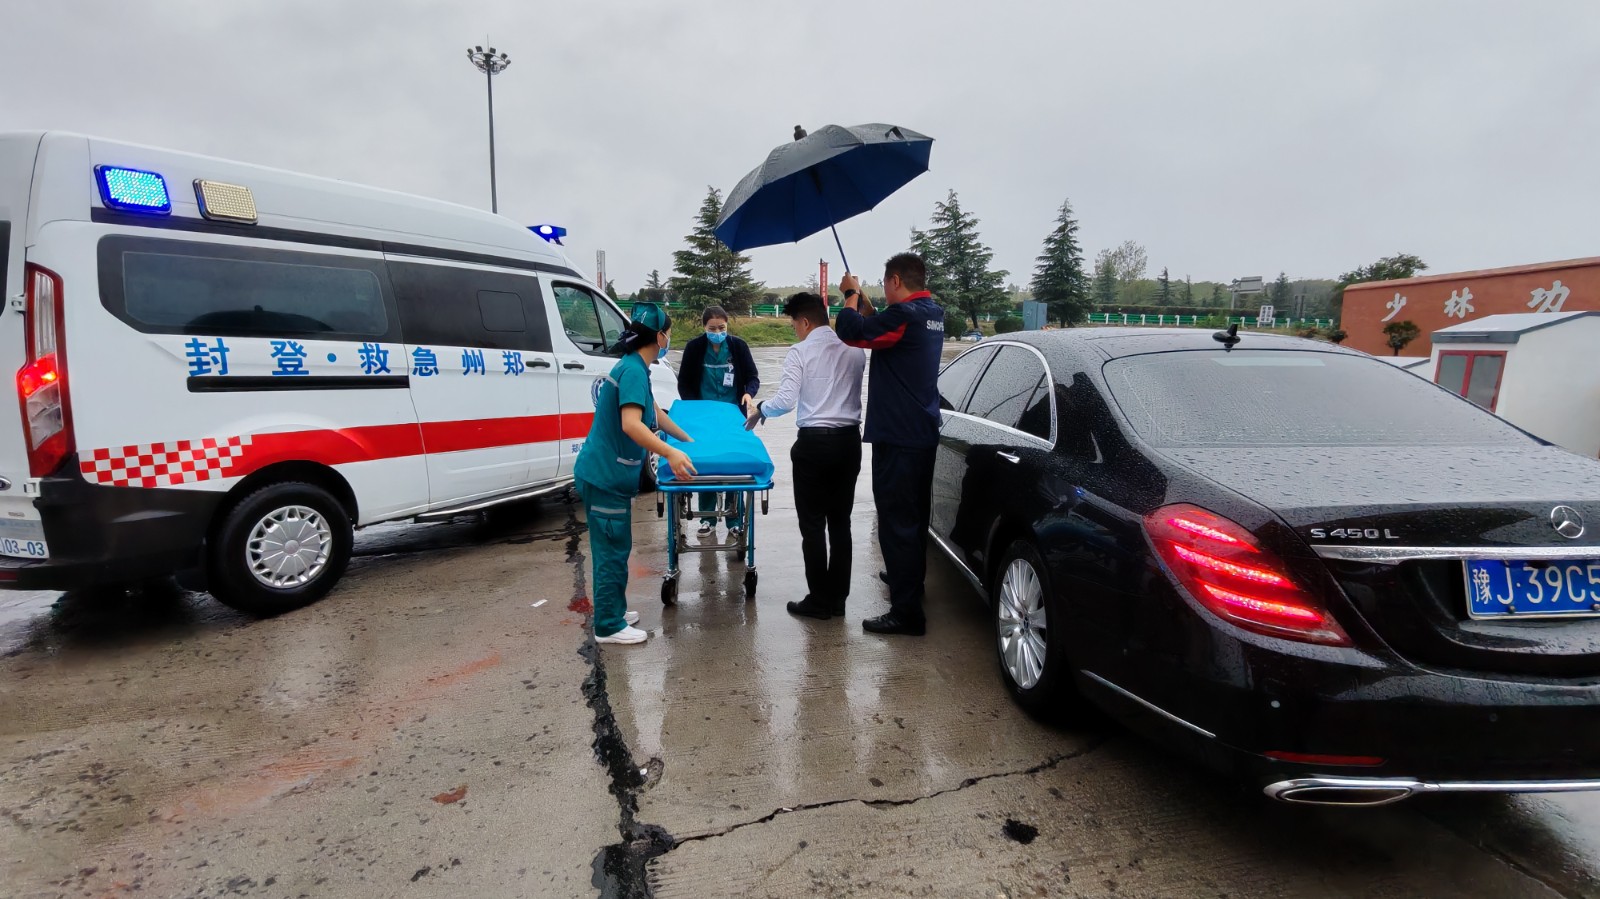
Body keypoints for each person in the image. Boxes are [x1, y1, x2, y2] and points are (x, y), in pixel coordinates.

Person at [834, 254, 946, 636]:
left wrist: (850, 295)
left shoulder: (904, 317)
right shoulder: (931, 313)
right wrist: (867, 305)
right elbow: (879, 327)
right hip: (921, 432)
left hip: (898, 436)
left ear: (895, 280)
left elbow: (852, 331)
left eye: (884, 284)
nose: (883, 290)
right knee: (914, 517)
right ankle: (908, 580)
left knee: (897, 522)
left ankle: (906, 613)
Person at [575, 302, 697, 645]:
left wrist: (688, 441)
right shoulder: (631, 371)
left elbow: (655, 415)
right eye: (668, 333)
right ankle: (608, 625)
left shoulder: (637, 369)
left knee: (616, 547)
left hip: (610, 476)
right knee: (611, 551)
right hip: (604, 476)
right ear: (659, 337)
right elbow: (631, 424)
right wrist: (669, 452)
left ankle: (612, 609)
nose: (669, 338)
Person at [745, 292, 866, 621]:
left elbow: (785, 401)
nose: (795, 331)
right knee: (840, 523)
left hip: (813, 445)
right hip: (848, 442)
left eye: (795, 325)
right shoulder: (855, 349)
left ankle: (818, 600)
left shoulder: (800, 352)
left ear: (806, 322)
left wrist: (761, 409)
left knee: (812, 524)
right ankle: (837, 600)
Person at [676, 306, 761, 535]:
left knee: (733, 466)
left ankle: (734, 521)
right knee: (707, 465)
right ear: (704, 327)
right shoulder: (694, 348)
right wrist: (695, 408)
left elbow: (753, 377)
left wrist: (748, 393)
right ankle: (708, 519)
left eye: (721, 328)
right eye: (712, 328)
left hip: (732, 417)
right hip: (704, 418)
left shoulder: (738, 347)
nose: (717, 332)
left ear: (727, 326)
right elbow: (684, 383)